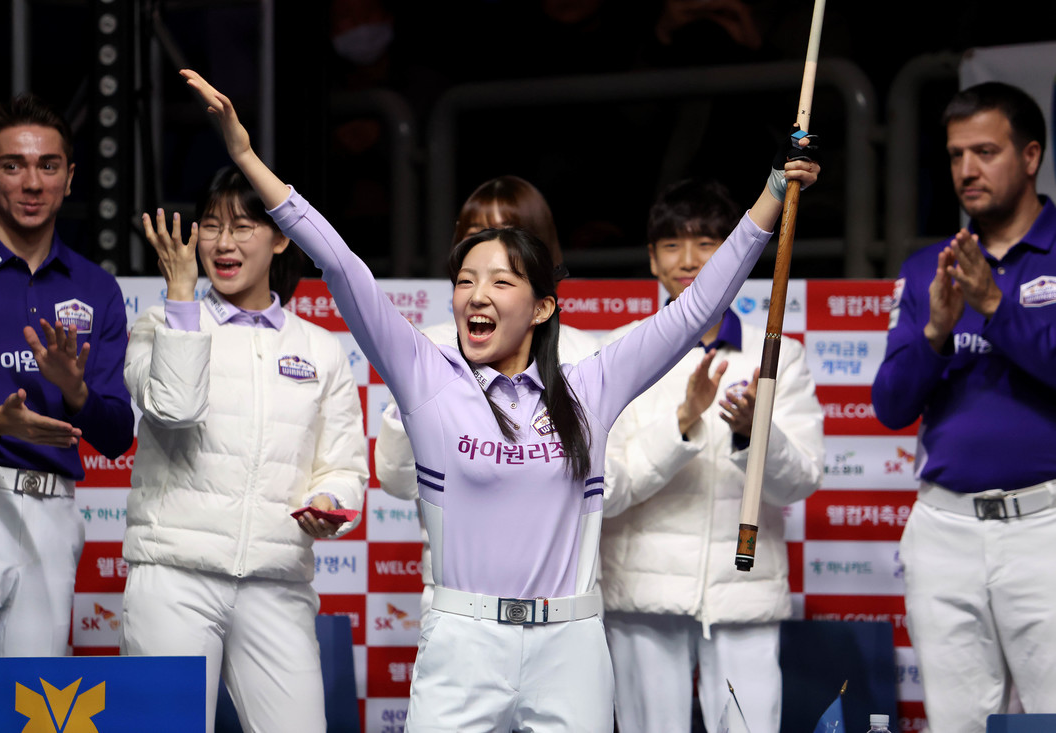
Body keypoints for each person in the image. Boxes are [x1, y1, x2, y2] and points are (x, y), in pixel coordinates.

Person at [180, 67, 818, 732]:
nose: (476, 295)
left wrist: (773, 192)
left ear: (542, 306)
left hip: (570, 646)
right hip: (463, 643)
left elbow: (697, 308)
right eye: (465, 280)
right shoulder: (427, 375)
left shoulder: (590, 383)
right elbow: (341, 264)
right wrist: (246, 158)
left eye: (501, 281)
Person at [120, 166, 369, 733]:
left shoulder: (321, 349)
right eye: (211, 226)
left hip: (277, 583)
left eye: (242, 227)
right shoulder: (159, 323)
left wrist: (330, 501)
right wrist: (181, 296)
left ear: (280, 238)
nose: (223, 243)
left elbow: (342, 466)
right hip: (174, 577)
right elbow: (175, 408)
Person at [599, 179, 824, 733]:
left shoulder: (780, 354)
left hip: (744, 592)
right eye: (672, 244)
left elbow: (800, 481)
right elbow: (606, 485)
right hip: (643, 596)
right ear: (651, 258)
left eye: (707, 244)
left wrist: (752, 435)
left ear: (735, 254)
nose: (689, 259)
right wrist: (683, 420)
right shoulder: (620, 350)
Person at [872, 81, 1056, 733]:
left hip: (1045, 523)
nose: (966, 170)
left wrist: (995, 308)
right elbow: (890, 405)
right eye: (955, 155)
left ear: (1030, 156)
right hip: (944, 528)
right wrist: (933, 333)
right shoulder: (930, 266)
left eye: (985, 151)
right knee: (956, 725)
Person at [373, 175, 600, 617]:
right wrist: (413, 402)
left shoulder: (585, 357)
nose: (495, 246)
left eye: (513, 233)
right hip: (458, 597)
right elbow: (396, 481)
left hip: (565, 600)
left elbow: (615, 486)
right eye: (478, 234)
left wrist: (543, 465)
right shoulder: (427, 352)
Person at [0, 93, 133, 657]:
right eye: (12, 165)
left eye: (48, 165)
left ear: (69, 179)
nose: (32, 182)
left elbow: (116, 437)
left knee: (30, 699)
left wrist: (77, 392)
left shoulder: (96, 288)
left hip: (54, 511)